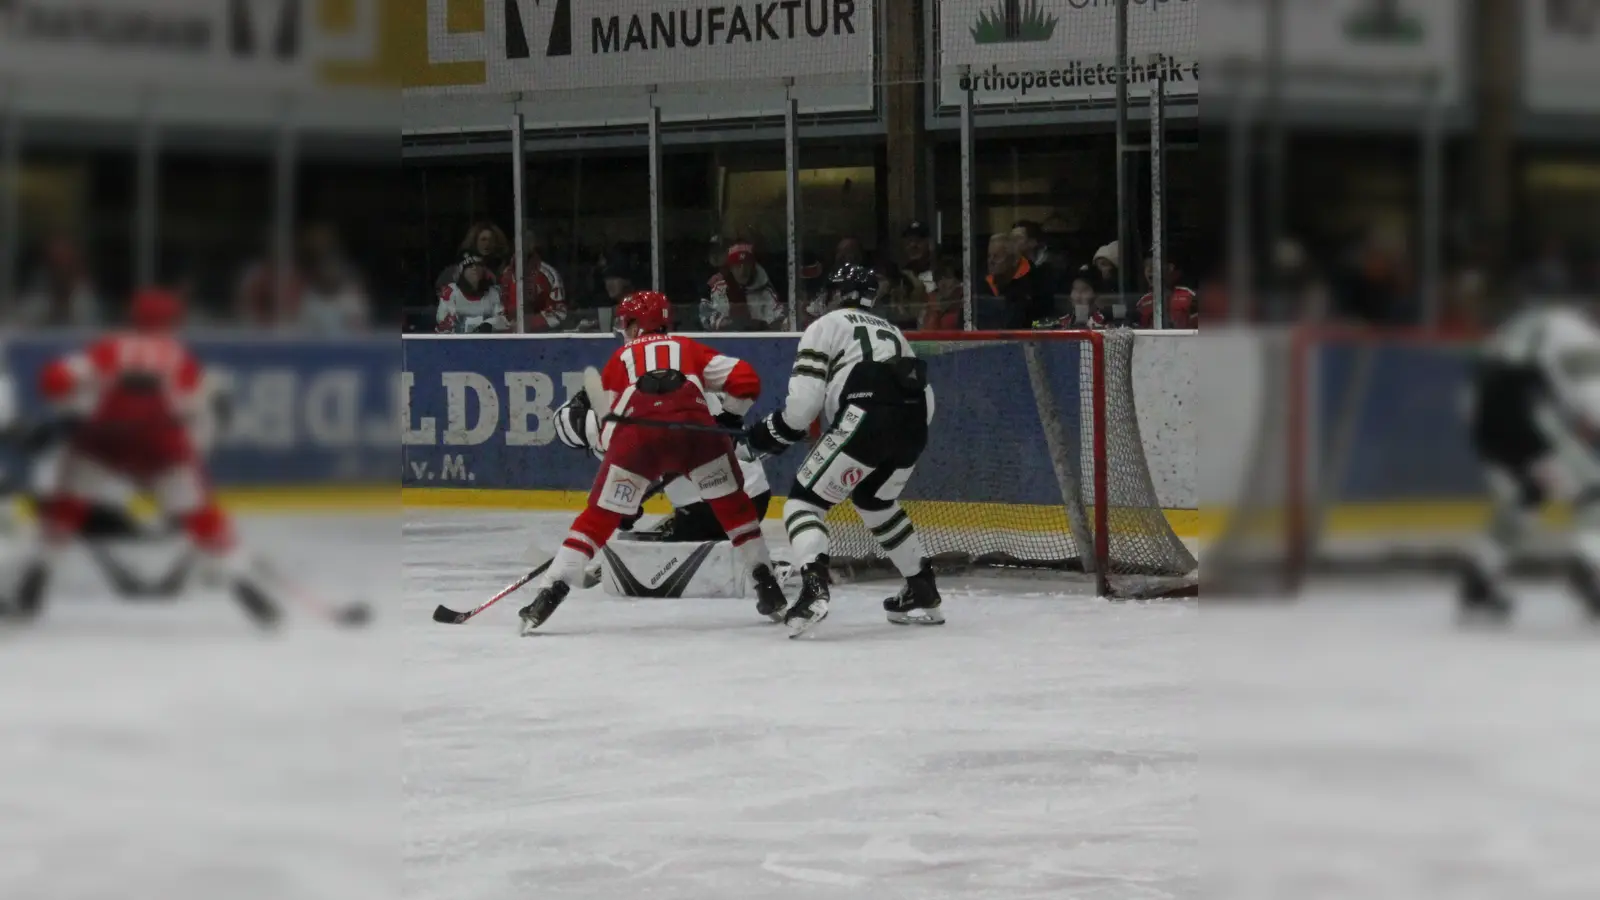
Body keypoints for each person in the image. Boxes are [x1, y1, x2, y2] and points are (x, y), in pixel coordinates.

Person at [0, 289, 278, 625]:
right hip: (160, 446)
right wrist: (185, 460)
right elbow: (192, 410)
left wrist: (73, 408)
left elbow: (55, 379)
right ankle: (239, 577)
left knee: (66, 507)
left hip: (104, 439)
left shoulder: (109, 347)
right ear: (170, 322)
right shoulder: (179, 357)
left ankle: (36, 577)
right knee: (202, 518)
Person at [516, 290, 788, 633]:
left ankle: (549, 592)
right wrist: (730, 419)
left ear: (635, 325)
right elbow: (747, 379)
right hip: (700, 438)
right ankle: (766, 583)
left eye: (625, 323)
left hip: (639, 443)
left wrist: (624, 492)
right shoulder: (689, 349)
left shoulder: (621, 359)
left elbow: (608, 436)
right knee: (734, 509)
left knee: (597, 519)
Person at [745, 263, 942, 637]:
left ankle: (813, 589)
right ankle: (922, 588)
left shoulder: (826, 325)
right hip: (915, 421)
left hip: (867, 413)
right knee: (875, 500)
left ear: (837, 294)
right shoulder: (893, 331)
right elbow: (922, 394)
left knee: (804, 503)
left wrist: (761, 436)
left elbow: (801, 410)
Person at [1461, 300, 1600, 622]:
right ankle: (1590, 567)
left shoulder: (1539, 319)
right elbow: (1593, 401)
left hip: (1482, 412)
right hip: (1525, 408)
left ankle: (1480, 574)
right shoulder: (1580, 334)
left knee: (1532, 490)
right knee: (1593, 490)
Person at [976, 233, 1051, 330]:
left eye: (997, 257)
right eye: (989, 256)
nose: (991, 261)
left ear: (1014, 260)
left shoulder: (1034, 285)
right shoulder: (981, 284)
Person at [702, 242, 784, 331]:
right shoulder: (717, 288)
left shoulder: (765, 291)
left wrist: (766, 325)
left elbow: (779, 317)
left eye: (746, 265)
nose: (742, 271)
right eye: (737, 266)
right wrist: (722, 323)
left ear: (752, 267)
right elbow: (705, 315)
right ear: (731, 268)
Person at [500, 229, 568, 333]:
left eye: (528, 240)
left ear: (534, 244)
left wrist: (530, 323)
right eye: (519, 240)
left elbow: (559, 312)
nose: (523, 243)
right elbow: (500, 310)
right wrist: (509, 325)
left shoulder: (548, 274)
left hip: (541, 337)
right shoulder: (506, 275)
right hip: (511, 337)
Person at [435, 251, 510, 333]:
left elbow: (503, 321)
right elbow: (443, 321)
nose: (475, 268)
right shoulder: (451, 292)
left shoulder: (493, 293)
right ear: (461, 271)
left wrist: (488, 325)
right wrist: (479, 324)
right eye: (470, 266)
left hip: (486, 339)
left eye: (478, 265)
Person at [436, 222, 510, 289]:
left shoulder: (503, 268)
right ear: (475, 241)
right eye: (483, 239)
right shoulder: (457, 269)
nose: (487, 243)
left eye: (491, 240)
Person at [1135, 253, 1197, 329]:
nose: (1149, 270)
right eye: (1146, 266)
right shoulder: (1143, 302)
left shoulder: (1187, 295)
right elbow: (1140, 330)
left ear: (1169, 268)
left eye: (1154, 265)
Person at [900, 222, 936, 295]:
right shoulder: (903, 273)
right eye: (909, 241)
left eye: (918, 240)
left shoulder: (939, 271)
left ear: (930, 243)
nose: (912, 245)